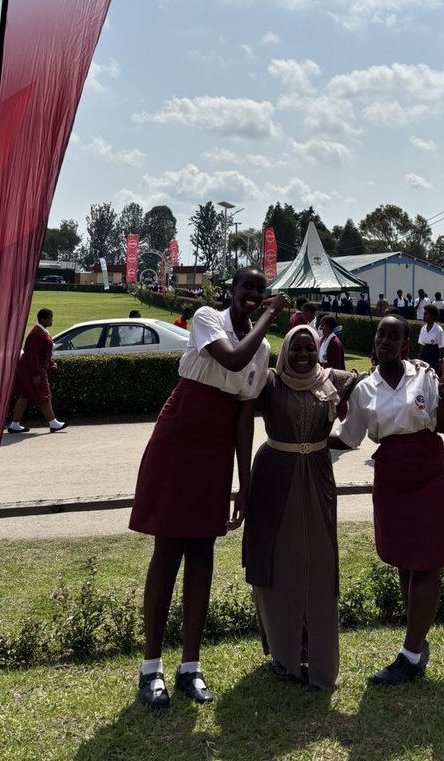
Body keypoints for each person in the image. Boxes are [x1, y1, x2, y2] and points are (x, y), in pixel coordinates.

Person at [129, 268, 289, 708]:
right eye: (246, 288)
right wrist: (271, 316)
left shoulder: (265, 349)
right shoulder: (207, 318)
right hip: (180, 435)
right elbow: (233, 358)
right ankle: (150, 668)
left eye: (260, 290)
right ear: (231, 292)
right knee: (168, 550)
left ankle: (190, 667)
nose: (253, 295)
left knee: (202, 552)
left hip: (217, 445)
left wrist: (244, 482)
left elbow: (243, 419)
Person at [331, 315, 444, 685]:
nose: (385, 341)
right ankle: (418, 643)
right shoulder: (364, 388)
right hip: (392, 478)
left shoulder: (424, 375)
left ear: (406, 345)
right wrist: (303, 438)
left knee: (426, 562)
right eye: (381, 335)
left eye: (394, 336)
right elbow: (349, 438)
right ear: (374, 342)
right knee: (406, 563)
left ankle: (408, 655)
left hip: (432, 472)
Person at [243, 325, 360, 689]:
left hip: (319, 479)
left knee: (319, 562)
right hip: (274, 477)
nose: (304, 355)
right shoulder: (269, 382)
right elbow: (230, 392)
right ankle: (283, 654)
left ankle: (316, 653)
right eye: (297, 348)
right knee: (279, 562)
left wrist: (419, 367)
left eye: (310, 348)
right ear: (285, 351)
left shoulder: (333, 380)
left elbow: (375, 382)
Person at [8, 309, 67, 434]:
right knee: (44, 395)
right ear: (43, 319)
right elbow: (33, 354)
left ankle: (14, 424)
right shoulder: (38, 333)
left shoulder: (41, 331)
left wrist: (50, 363)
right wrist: (36, 374)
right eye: (50, 318)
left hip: (27, 367)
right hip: (32, 368)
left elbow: (41, 353)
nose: (52, 320)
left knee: (25, 395)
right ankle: (53, 423)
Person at [417, 304, 444, 376]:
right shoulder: (423, 328)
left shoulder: (438, 330)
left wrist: (440, 361)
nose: (424, 316)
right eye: (424, 313)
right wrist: (419, 359)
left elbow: (441, 347)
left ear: (432, 316)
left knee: (433, 376)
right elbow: (422, 345)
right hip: (426, 354)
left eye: (426, 314)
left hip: (435, 355)